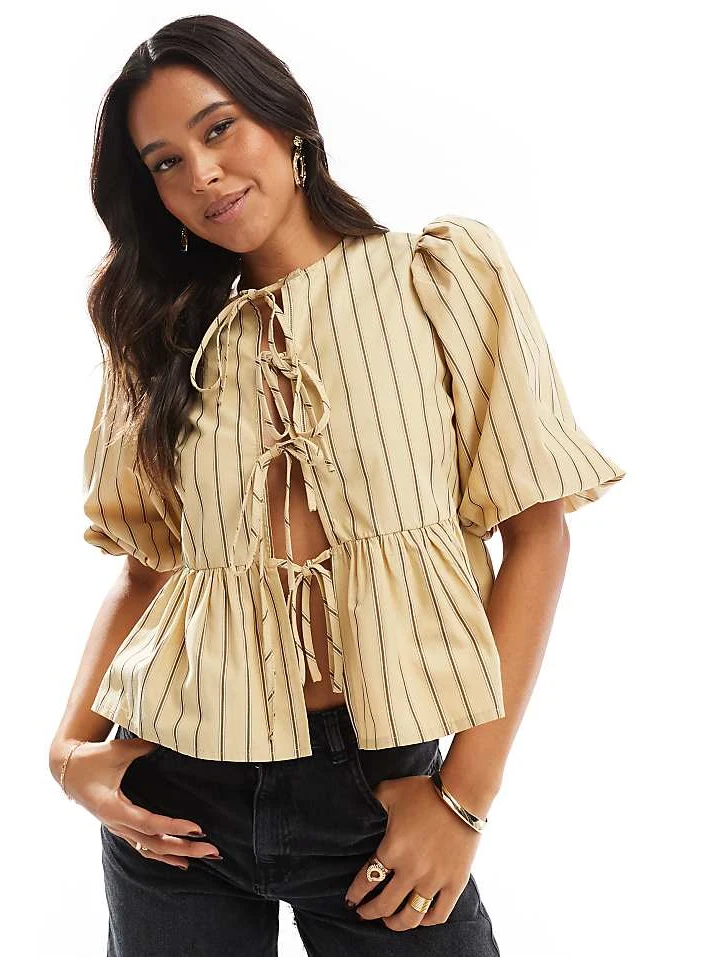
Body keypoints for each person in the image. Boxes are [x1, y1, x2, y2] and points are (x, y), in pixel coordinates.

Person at [48, 14, 626, 957]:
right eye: (165, 163)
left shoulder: (438, 277)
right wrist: (69, 750)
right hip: (173, 797)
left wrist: (463, 800)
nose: (202, 175)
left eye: (219, 128)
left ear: (288, 122)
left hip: (378, 792)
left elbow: (539, 531)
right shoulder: (161, 336)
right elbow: (146, 570)